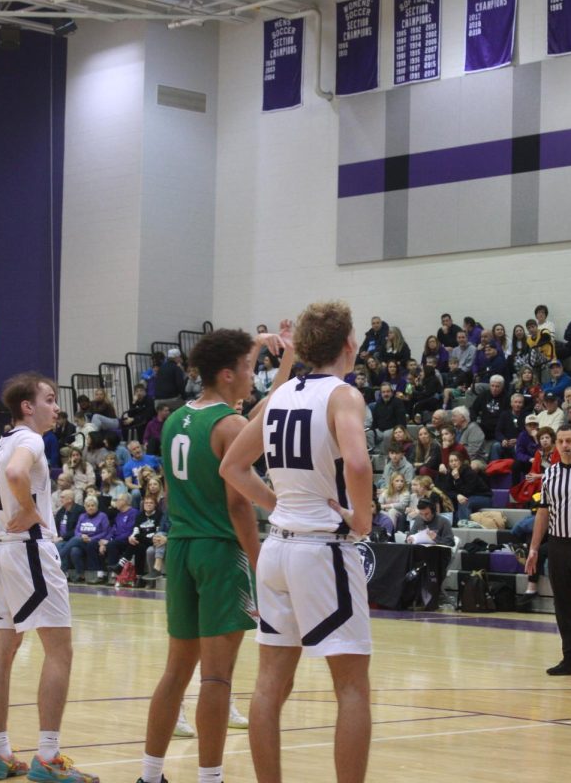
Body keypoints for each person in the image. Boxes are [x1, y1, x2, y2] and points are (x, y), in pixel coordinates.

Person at [220, 300, 373, 783]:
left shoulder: (278, 397)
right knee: (351, 688)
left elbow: (232, 467)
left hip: (277, 551)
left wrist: (275, 504)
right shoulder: (342, 395)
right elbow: (359, 463)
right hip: (321, 550)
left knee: (269, 685)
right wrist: (363, 519)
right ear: (348, 343)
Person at [137, 324, 291, 783]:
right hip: (219, 551)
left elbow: (261, 412)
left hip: (181, 548)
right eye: (248, 368)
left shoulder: (175, 420)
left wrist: (282, 358)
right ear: (227, 374)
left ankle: (149, 775)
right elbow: (238, 502)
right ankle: (210, 778)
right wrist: (260, 557)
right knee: (217, 678)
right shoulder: (229, 424)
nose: (252, 376)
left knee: (176, 673)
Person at [0, 372, 98, 783]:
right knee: (59, 651)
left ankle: (0, 754)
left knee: (3, 651)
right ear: (27, 407)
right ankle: (48, 758)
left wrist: (1, 509)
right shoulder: (30, 441)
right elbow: (18, 476)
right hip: (29, 549)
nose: (56, 407)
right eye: (50, 399)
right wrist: (31, 511)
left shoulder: (1, 444)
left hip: (1, 550)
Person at [525, 426, 571, 681]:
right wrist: (534, 548)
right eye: (561, 441)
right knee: (562, 604)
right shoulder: (550, 474)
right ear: (555, 445)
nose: (565, 445)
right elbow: (543, 513)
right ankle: (570, 658)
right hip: (557, 544)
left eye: (570, 441)